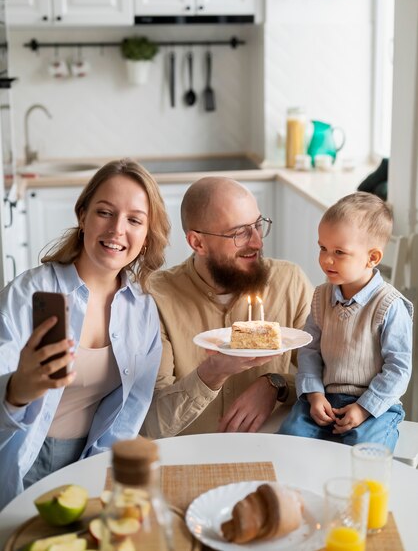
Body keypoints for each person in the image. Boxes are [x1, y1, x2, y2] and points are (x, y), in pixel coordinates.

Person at [0, 158, 170, 509]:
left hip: (89, 465)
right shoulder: (27, 294)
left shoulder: (142, 311)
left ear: (146, 233)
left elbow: (129, 413)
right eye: (105, 212)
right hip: (17, 462)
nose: (117, 229)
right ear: (83, 216)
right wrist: (17, 391)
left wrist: (97, 480)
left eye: (134, 220)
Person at [142, 176, 313, 438]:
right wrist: (212, 373)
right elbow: (151, 425)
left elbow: (331, 380)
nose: (257, 242)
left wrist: (276, 384)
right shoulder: (155, 297)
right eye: (240, 233)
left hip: (272, 450)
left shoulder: (290, 282)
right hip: (188, 458)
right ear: (197, 243)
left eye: (258, 225)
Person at [279, 192, 413, 450]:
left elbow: (398, 368)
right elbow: (309, 350)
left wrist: (364, 409)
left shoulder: (390, 305)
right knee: (290, 436)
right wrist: (315, 395)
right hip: (324, 398)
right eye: (323, 248)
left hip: (374, 404)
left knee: (364, 447)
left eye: (339, 252)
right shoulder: (321, 296)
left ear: (372, 258)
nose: (326, 259)